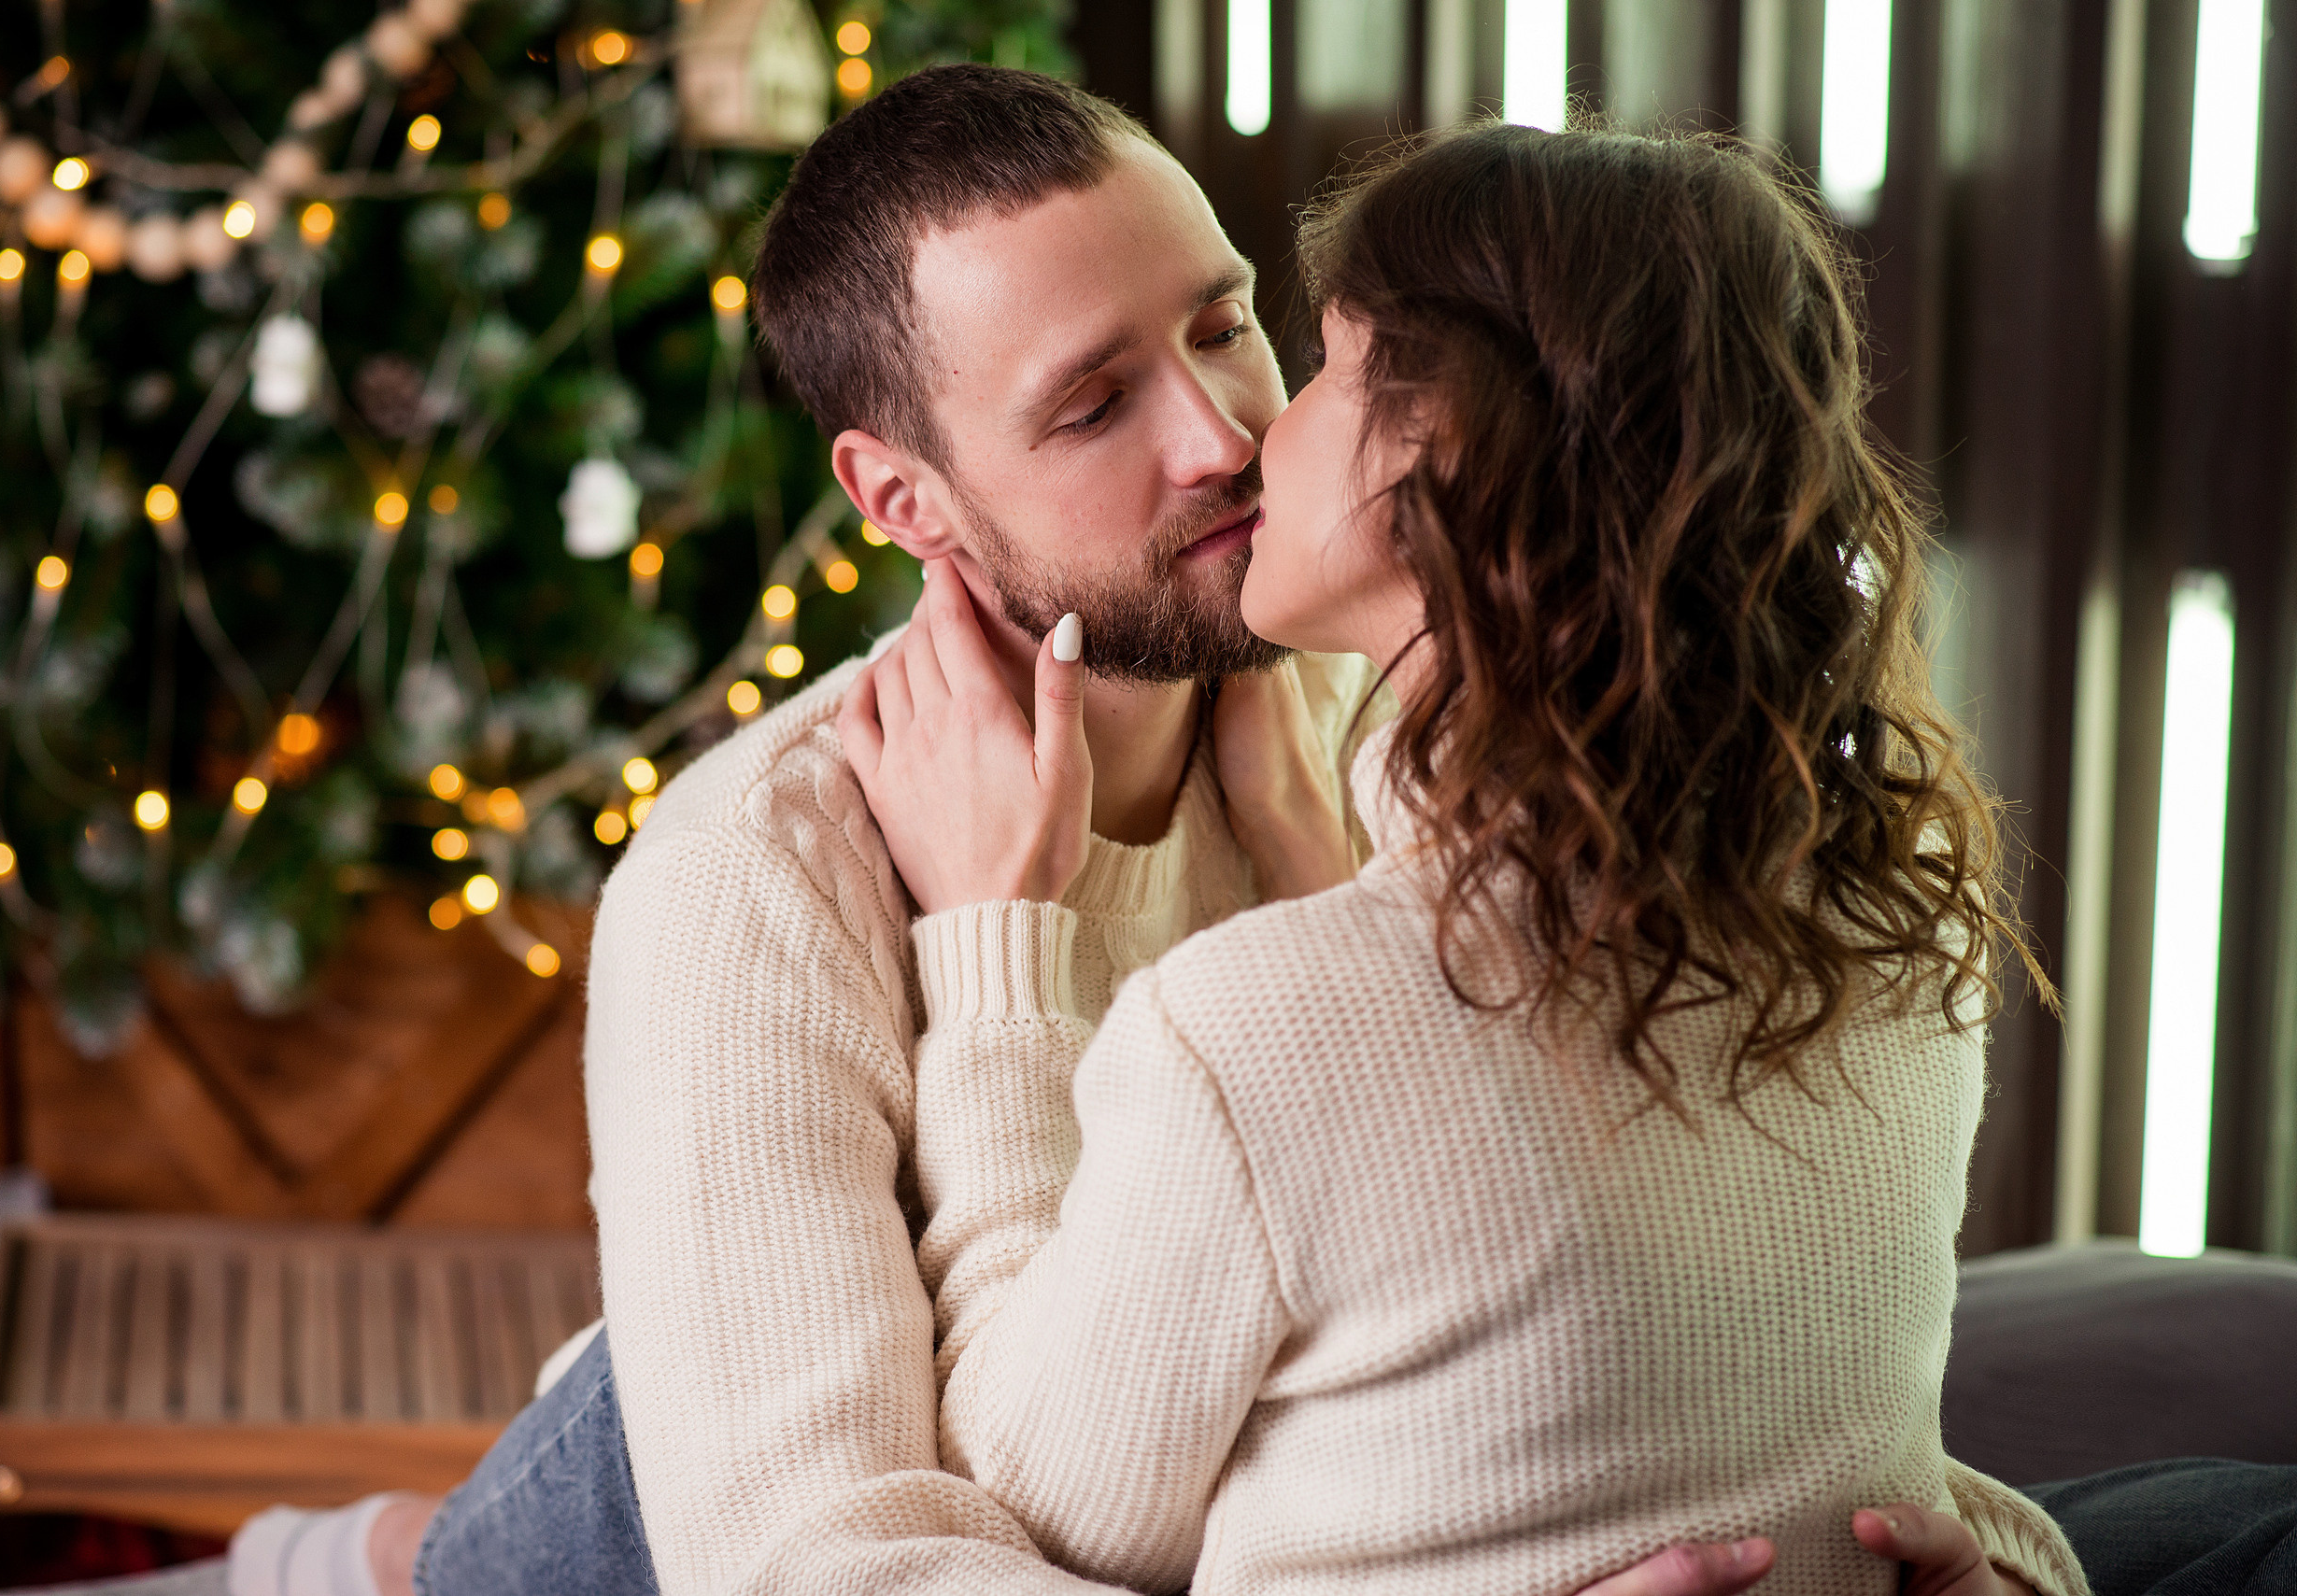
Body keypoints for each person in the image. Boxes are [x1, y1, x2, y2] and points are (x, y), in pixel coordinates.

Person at [211, 68, 2290, 1596]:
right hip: (670, 1506)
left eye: (1224, 323)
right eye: (1088, 402)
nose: (1218, 436)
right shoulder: (761, 872)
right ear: (904, 503)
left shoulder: (1397, 666)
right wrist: (994, 963)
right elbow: (819, 1559)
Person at [839, 120, 2085, 1593]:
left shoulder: (1245, 1036)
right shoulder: (1894, 927)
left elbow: (1049, 1508)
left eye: (1331, 364)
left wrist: (996, 967)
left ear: (1455, 452)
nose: (1252, 435)